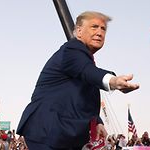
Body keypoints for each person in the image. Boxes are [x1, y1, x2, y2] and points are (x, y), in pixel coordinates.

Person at [16, 11, 139, 150]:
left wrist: (97, 122)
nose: (99, 32)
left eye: (103, 28)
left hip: (63, 135)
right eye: (94, 27)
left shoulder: (84, 62)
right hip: (47, 130)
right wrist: (113, 81)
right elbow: (87, 72)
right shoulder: (71, 50)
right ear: (79, 31)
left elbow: (85, 92)